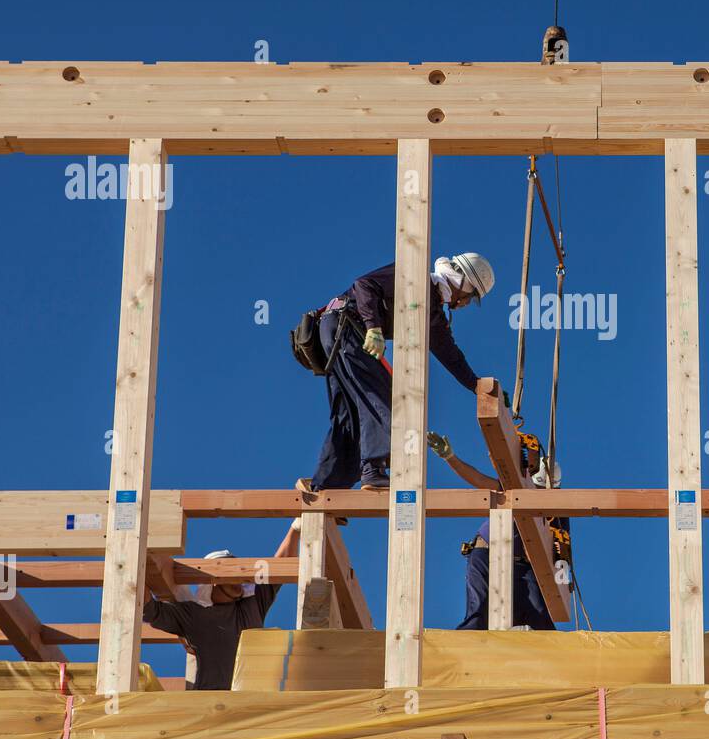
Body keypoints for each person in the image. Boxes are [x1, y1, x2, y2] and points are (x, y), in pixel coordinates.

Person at [299, 254, 495, 493]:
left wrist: (476, 386)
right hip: (346, 327)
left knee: (348, 414)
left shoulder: (431, 312)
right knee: (383, 398)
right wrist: (373, 327)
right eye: (471, 295)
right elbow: (364, 284)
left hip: (338, 332)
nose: (466, 304)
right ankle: (373, 470)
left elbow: (451, 356)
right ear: (462, 281)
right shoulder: (416, 277)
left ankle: (327, 486)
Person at [427, 430, 568, 631]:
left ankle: (550, 658)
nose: (539, 494)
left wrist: (561, 581)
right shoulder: (517, 489)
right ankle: (462, 653)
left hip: (525, 566)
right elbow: (479, 480)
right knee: (479, 613)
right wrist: (450, 458)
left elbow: (563, 551)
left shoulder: (559, 510)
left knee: (539, 617)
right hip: (487, 552)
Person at [140, 520, 300, 690]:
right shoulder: (195, 616)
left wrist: (295, 528)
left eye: (239, 575)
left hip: (253, 703)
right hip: (210, 704)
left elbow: (280, 565)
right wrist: (134, 566)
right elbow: (150, 609)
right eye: (230, 575)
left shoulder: (252, 604)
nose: (239, 580)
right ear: (214, 582)